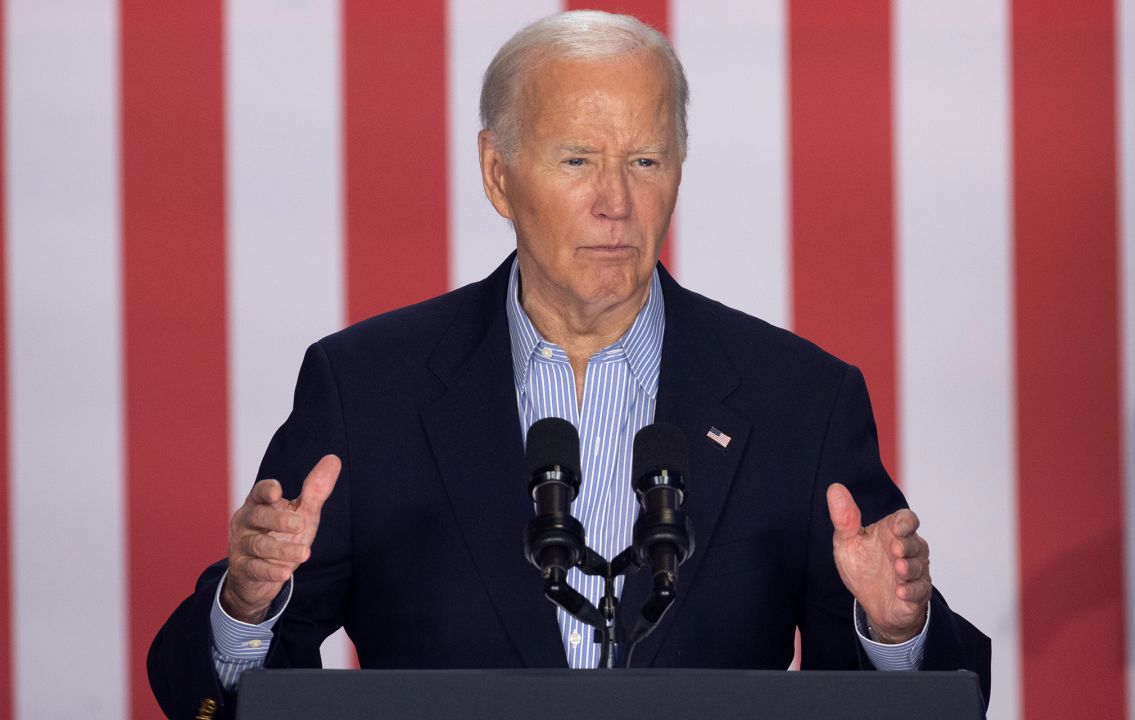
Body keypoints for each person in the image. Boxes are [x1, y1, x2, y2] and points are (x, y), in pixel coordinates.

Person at [148, 10, 990, 718]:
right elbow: (211, 693)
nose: (616, 202)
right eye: (578, 160)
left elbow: (938, 689)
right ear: (497, 173)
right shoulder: (368, 390)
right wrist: (248, 605)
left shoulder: (800, 399)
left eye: (645, 161)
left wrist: (892, 630)